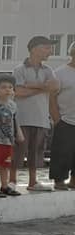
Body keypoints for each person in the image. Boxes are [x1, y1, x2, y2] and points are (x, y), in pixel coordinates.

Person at [10, 36, 58, 192]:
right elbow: (18, 91)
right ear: (34, 49)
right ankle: (12, 181)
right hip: (22, 118)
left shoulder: (48, 70)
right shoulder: (19, 69)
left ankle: (33, 181)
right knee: (18, 150)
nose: (49, 52)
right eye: (46, 48)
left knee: (37, 151)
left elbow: (54, 87)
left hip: (41, 118)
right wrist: (43, 87)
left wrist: (31, 85)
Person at [50, 42, 75, 190]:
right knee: (62, 152)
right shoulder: (60, 73)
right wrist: (56, 118)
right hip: (65, 119)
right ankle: (59, 180)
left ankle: (74, 180)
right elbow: (52, 96)